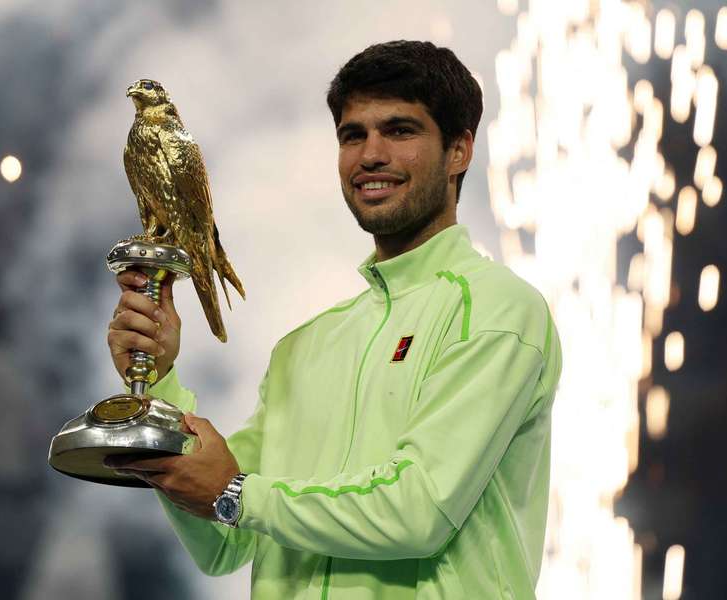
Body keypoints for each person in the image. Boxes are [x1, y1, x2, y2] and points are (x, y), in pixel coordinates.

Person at [105, 40, 561, 599]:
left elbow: (418, 511)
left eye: (400, 131)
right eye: (353, 135)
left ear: (459, 151)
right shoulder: (304, 347)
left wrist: (237, 494)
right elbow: (223, 538)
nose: (371, 155)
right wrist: (158, 383)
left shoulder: (495, 310)